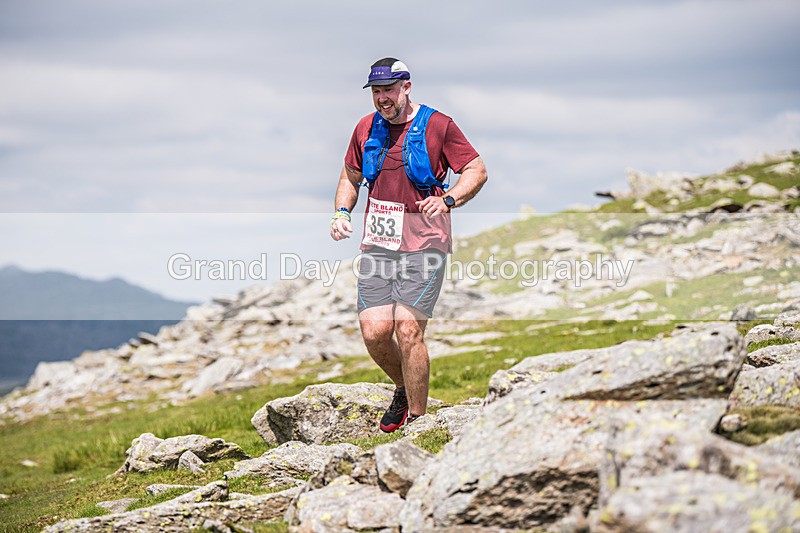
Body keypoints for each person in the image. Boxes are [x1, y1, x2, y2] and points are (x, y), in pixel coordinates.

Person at [329, 57, 487, 432]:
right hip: (378, 244)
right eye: (377, 91)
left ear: (407, 87)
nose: (383, 98)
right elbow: (350, 176)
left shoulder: (439, 125)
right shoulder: (365, 128)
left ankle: (418, 419)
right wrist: (341, 212)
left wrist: (448, 199)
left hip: (425, 243)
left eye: (389, 90)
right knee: (374, 332)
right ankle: (403, 387)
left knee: (408, 330)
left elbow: (477, 171)